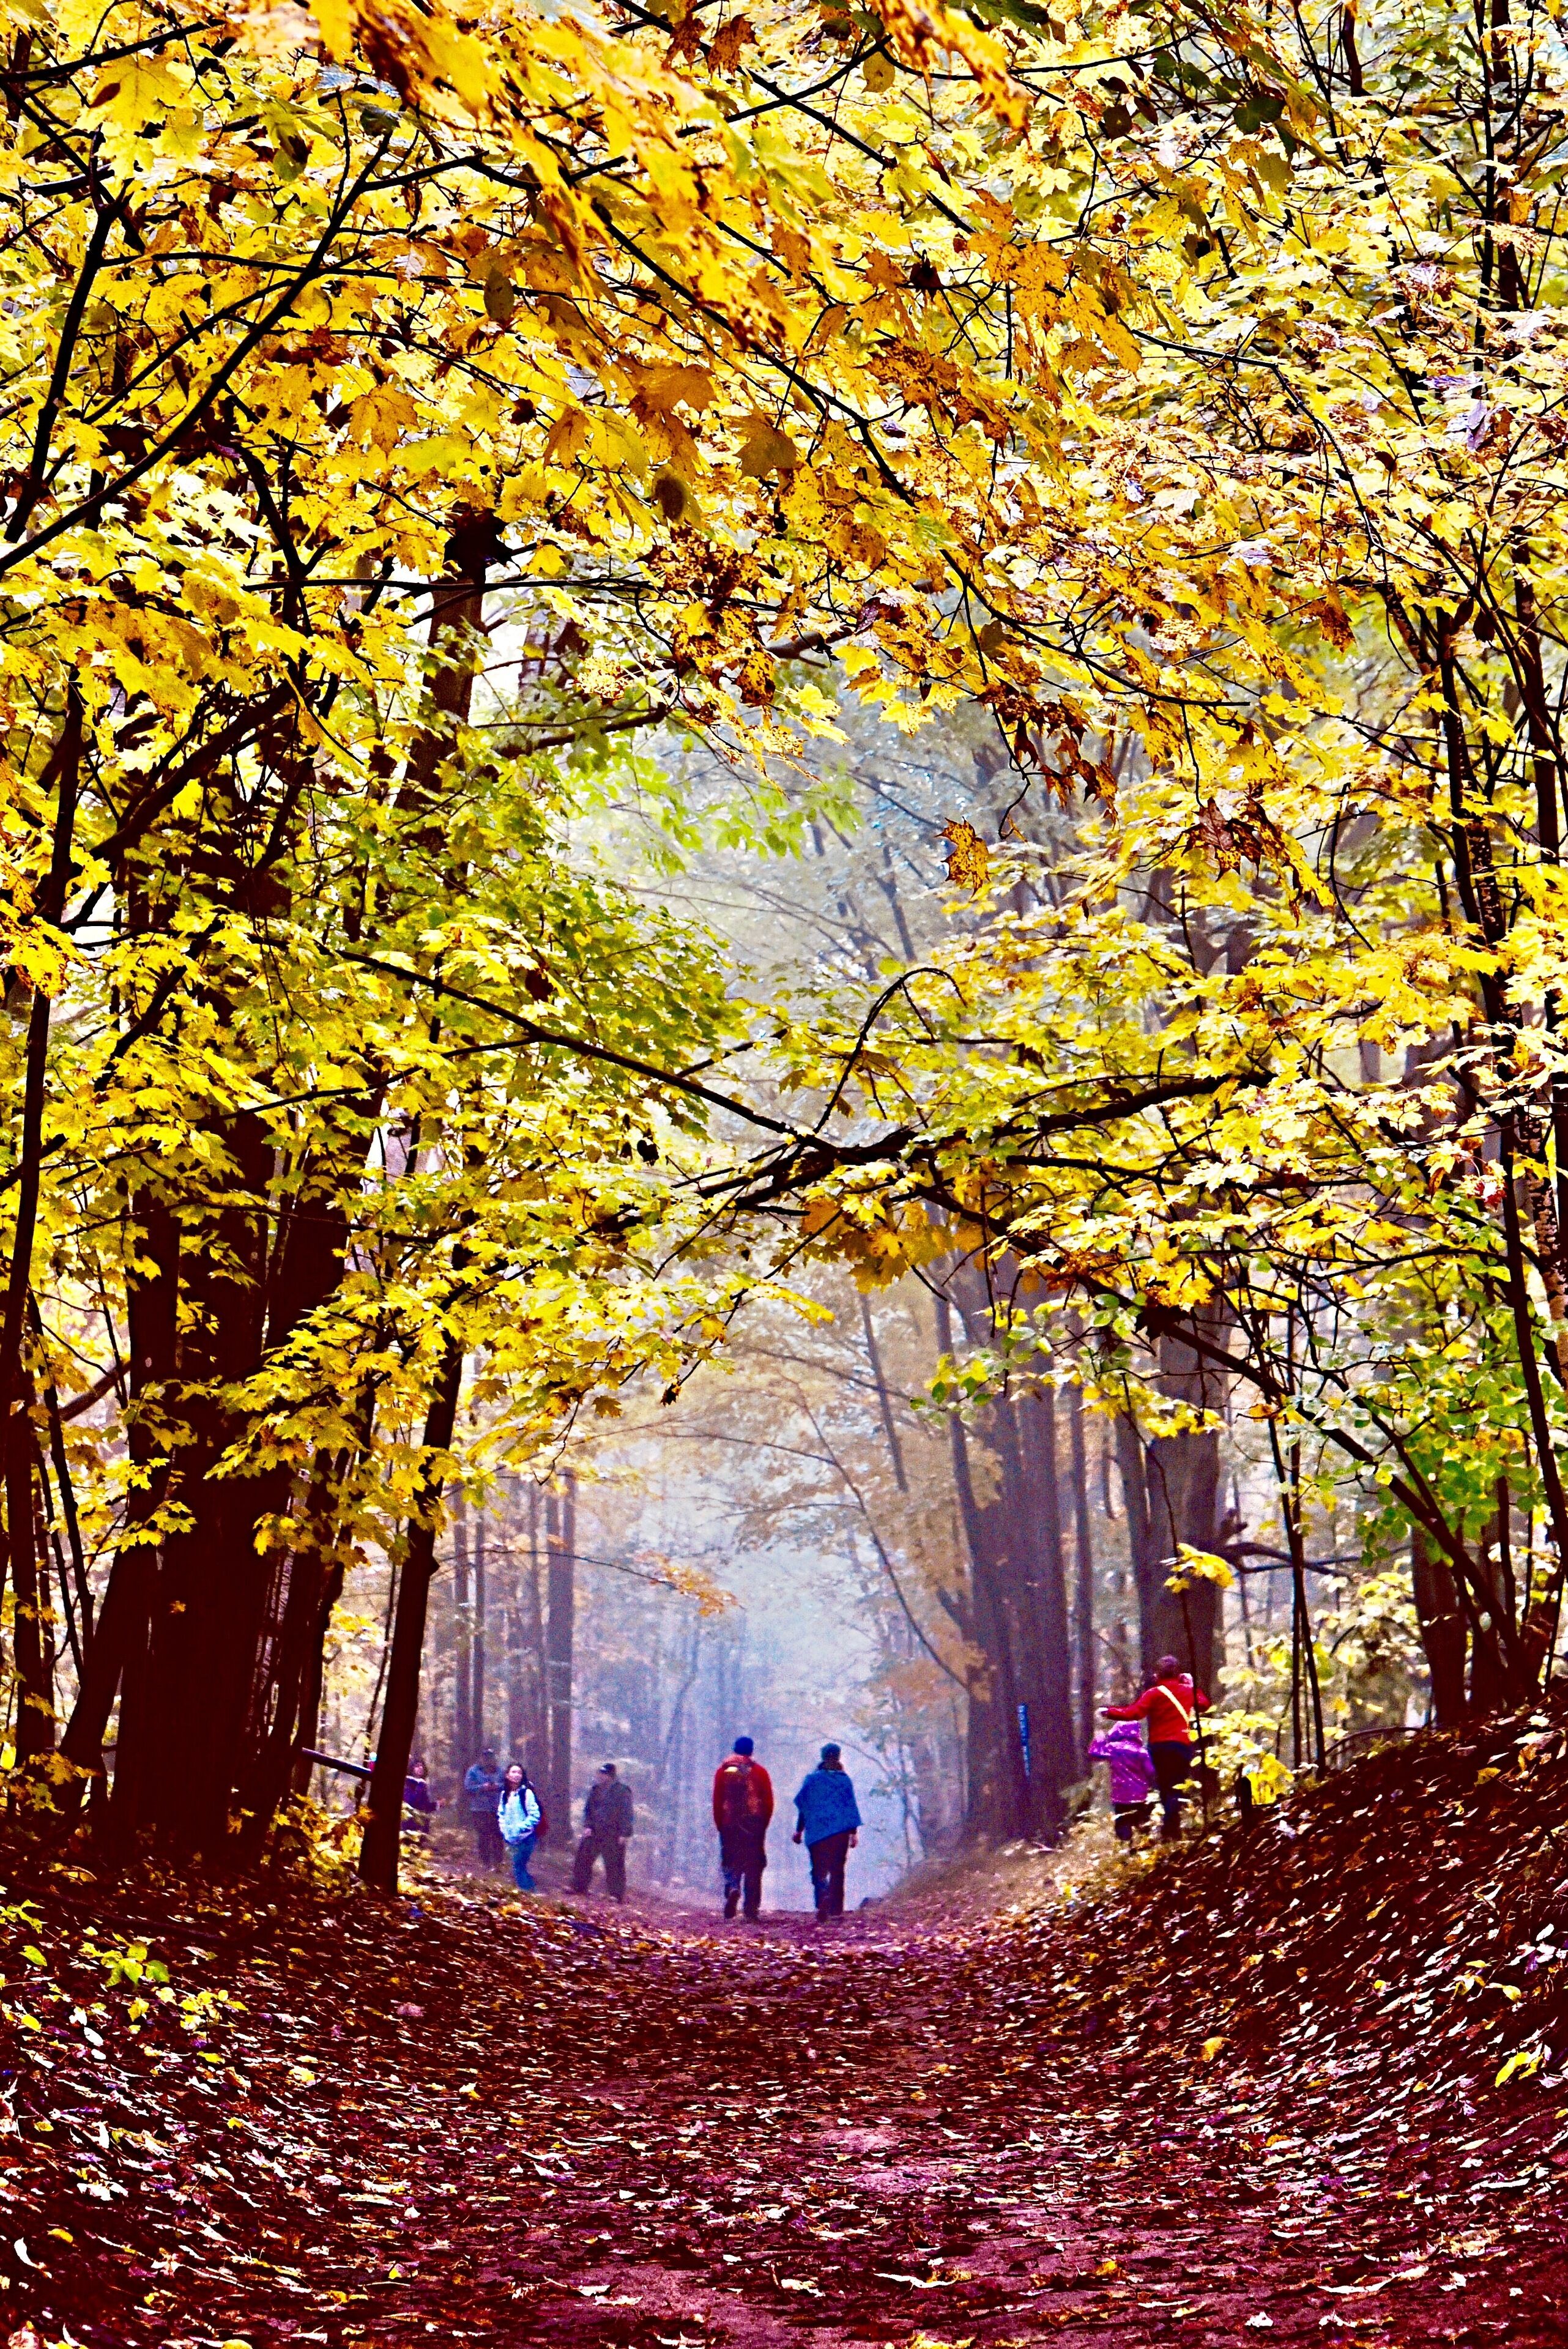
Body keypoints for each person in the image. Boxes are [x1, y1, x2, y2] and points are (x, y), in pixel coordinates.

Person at [1102, 1655, 1210, 1839]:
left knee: (1162, 1786)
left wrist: (1109, 1712)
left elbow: (1134, 1713)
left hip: (1159, 1748)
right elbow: (1204, 1705)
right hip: (1181, 1747)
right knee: (1176, 1786)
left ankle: (1157, 1826)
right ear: (1178, 1673)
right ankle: (1171, 1828)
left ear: (1158, 1673)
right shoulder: (1186, 1691)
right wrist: (1192, 1685)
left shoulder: (1154, 1693)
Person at [792, 1743, 861, 1921]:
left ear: (823, 1757)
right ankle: (836, 1910)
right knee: (838, 1870)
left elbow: (805, 1807)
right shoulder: (844, 1780)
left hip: (817, 1832)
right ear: (838, 1757)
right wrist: (853, 1833)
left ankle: (822, 1897)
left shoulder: (812, 1780)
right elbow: (850, 1807)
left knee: (819, 1869)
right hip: (840, 1832)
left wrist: (799, 1830)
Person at [712, 1735, 774, 1921]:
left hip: (729, 1823)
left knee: (730, 1860)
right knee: (754, 1866)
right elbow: (768, 1801)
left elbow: (717, 1800)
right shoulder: (760, 1772)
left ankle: (733, 1887)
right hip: (754, 1824)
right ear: (751, 1751)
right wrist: (763, 1824)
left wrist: (720, 1824)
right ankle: (751, 1909)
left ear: (734, 1750)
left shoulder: (722, 1772)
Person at [1086, 1719, 1156, 1844]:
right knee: (1141, 1822)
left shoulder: (1114, 1749)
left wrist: (1099, 1740)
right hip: (1140, 1796)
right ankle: (1143, 1846)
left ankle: (1126, 1847)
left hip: (1121, 1797)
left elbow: (1094, 1753)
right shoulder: (1141, 1751)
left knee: (1123, 1824)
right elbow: (1151, 1772)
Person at [571, 1763, 634, 1901]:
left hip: (614, 1834)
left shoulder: (622, 1791)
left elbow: (627, 1813)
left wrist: (624, 1833)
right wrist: (588, 1826)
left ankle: (616, 1894)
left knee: (615, 1865)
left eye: (604, 1774)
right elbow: (588, 1810)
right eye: (600, 1773)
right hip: (594, 1831)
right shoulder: (596, 1790)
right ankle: (579, 1886)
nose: (601, 1776)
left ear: (611, 1776)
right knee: (583, 1859)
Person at [498, 1762, 543, 1893]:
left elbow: (535, 1815)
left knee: (519, 1866)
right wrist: (504, 1830)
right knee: (517, 1867)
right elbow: (501, 1813)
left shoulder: (526, 1793)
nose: (517, 1775)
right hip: (511, 1838)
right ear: (507, 1775)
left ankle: (531, 1893)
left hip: (526, 1837)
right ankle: (528, 1894)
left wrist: (521, 1828)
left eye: (519, 1773)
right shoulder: (504, 1794)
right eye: (513, 1772)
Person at [463, 1747, 505, 1871]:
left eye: (490, 1756)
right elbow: (468, 1788)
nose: (488, 1759)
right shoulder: (473, 1771)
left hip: (497, 1809)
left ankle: (498, 1862)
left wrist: (497, 1786)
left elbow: (507, 1786)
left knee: (498, 1836)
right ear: (481, 1757)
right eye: (486, 1756)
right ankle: (486, 1862)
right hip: (479, 1809)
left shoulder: (500, 1771)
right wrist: (482, 1787)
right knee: (484, 1836)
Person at [403, 1754, 438, 1840]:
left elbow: (424, 1806)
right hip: (410, 1825)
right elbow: (412, 1802)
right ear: (411, 1769)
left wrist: (437, 1804)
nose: (421, 1768)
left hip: (420, 1825)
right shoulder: (408, 1783)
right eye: (417, 1766)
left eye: (422, 1766)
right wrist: (421, 1785)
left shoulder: (421, 1784)